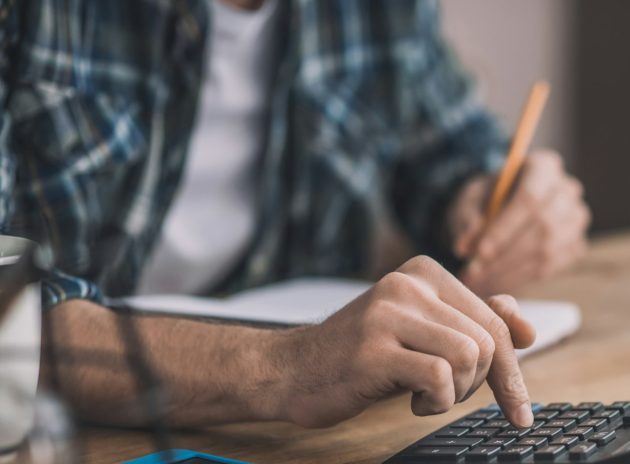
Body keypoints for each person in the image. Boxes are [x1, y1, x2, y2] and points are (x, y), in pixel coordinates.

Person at [0, 0, 591, 429]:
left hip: (291, 450)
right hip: (53, 461)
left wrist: (499, 204)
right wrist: (286, 366)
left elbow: (451, 158)